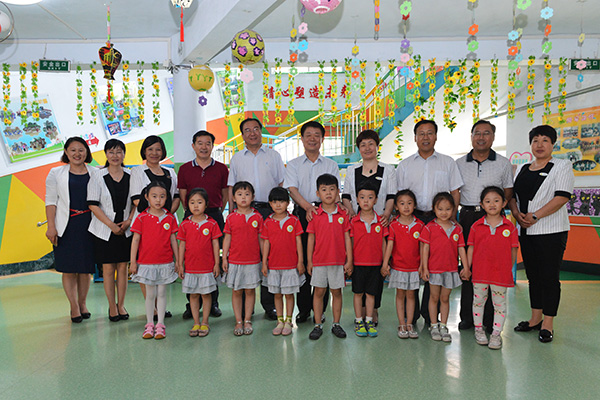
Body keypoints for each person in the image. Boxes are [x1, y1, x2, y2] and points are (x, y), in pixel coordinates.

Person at [509, 125, 574, 343]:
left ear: (553, 144)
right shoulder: (522, 168)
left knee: (549, 277)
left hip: (551, 231)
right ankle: (535, 318)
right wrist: (516, 214)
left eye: (545, 140)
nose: (539, 145)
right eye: (535, 140)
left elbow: (562, 197)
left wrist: (535, 216)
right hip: (526, 230)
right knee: (533, 276)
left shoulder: (561, 166)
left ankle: (548, 323)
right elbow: (512, 196)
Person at [396, 119, 463, 325]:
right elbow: (399, 195)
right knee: (413, 262)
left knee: (434, 266)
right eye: (421, 134)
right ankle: (410, 315)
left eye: (430, 133)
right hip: (413, 218)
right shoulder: (405, 165)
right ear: (415, 138)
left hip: (439, 219)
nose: (425, 137)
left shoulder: (448, 162)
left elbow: (455, 192)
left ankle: (429, 315)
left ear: (436, 136)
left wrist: (452, 217)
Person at [455, 120, 514, 331]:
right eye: (477, 133)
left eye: (486, 133)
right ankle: (468, 317)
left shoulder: (503, 163)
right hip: (467, 216)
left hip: (493, 219)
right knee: (468, 265)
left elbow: (508, 190)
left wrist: (495, 209)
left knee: (492, 266)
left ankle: (489, 320)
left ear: (493, 137)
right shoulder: (459, 163)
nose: (481, 137)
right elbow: (455, 191)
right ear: (471, 137)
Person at [228, 118, 285, 320]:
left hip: (270, 211)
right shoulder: (236, 158)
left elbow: (281, 183)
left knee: (268, 256)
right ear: (242, 135)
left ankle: (269, 306)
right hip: (244, 212)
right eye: (247, 130)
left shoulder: (273, 155)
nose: (252, 133)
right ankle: (246, 308)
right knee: (246, 256)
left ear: (261, 131)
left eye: (255, 129)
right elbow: (231, 186)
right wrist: (232, 210)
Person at [285, 121, 340, 324]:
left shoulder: (331, 165)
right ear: (302, 139)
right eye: (308, 135)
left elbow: (335, 191)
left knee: (323, 261)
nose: (312, 138)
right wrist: (309, 208)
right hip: (303, 214)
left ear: (322, 139)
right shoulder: (293, 164)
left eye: (317, 135)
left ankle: (321, 310)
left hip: (326, 215)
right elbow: (292, 190)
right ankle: (304, 309)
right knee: (303, 260)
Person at [45, 137, 96, 323]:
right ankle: (74, 306)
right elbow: (51, 201)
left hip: (89, 225)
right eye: (73, 150)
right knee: (68, 269)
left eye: (81, 150)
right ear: (66, 152)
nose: (77, 154)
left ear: (86, 152)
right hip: (65, 226)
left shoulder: (95, 172)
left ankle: (83, 304)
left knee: (85, 269)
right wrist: (51, 226)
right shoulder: (55, 173)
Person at [178, 130, 228, 319]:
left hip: (214, 215)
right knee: (192, 256)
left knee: (213, 257)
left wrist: (217, 209)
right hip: (191, 217)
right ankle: (191, 304)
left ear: (212, 146)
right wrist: (191, 211)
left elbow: (225, 193)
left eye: (208, 143)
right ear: (193, 146)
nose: (204, 147)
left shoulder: (222, 168)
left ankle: (213, 302)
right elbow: (183, 194)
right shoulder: (184, 169)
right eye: (200, 143)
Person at [131, 135, 179, 321]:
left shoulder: (170, 172)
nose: (154, 153)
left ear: (163, 151)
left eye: (158, 149)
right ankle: (154, 309)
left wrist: (166, 215)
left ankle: (160, 307)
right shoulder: (137, 171)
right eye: (150, 149)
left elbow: (175, 197)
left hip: (167, 223)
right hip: (147, 223)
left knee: (163, 263)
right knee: (147, 266)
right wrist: (155, 214)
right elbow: (136, 199)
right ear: (144, 151)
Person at [465, 186, 519, 350]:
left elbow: (513, 250)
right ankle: (478, 329)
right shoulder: (476, 226)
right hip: (480, 273)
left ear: (504, 203)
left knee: (499, 304)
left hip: (500, 274)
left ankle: (496, 333)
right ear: (482, 205)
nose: (492, 204)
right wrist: (467, 268)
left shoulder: (510, 227)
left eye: (496, 201)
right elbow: (471, 248)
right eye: (488, 201)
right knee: (478, 302)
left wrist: (507, 268)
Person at [88, 139, 134, 322]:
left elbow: (137, 202)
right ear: (106, 154)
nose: (115, 156)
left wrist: (128, 221)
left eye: (119, 152)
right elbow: (93, 204)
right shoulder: (97, 176)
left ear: (124, 154)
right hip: (104, 230)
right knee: (108, 269)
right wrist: (111, 225)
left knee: (123, 268)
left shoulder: (131, 175)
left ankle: (121, 305)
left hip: (126, 229)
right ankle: (112, 306)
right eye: (111, 152)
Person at [130, 181, 179, 340]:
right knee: (150, 294)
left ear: (167, 198)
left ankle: (161, 324)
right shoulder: (141, 217)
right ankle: (149, 324)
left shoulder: (170, 218)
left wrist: (178, 261)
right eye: (154, 196)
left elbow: (173, 240)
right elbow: (135, 240)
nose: (158, 200)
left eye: (162, 196)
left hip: (165, 262)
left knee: (162, 293)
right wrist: (133, 261)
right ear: (147, 197)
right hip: (146, 263)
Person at [306, 174, 353, 340]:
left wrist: (349, 260)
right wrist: (309, 261)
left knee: (337, 292)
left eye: (332, 189)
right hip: (319, 261)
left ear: (338, 192)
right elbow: (311, 239)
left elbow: (347, 237)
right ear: (317, 193)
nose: (328, 193)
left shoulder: (343, 214)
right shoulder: (314, 214)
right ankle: (318, 324)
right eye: (324, 189)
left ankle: (336, 324)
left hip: (338, 261)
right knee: (319, 292)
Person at [419, 192, 469, 342]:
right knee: (434, 297)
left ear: (453, 209)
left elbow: (461, 249)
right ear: (434, 209)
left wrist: (466, 267)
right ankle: (433, 325)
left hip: (451, 270)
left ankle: (444, 325)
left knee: (445, 298)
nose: (444, 212)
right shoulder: (429, 228)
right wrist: (424, 267)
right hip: (434, 270)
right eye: (440, 209)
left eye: (448, 209)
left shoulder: (457, 229)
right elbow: (425, 249)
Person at [176, 188, 222, 337]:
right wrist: (180, 264)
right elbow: (181, 245)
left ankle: (205, 322)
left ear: (206, 204)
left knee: (206, 294)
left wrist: (216, 264)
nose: (196, 206)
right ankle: (196, 322)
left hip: (207, 267)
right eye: (192, 202)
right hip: (190, 267)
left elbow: (216, 245)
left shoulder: (212, 224)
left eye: (199, 202)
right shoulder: (185, 224)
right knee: (194, 295)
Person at [261, 187, 304, 336]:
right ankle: (280, 321)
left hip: (290, 265)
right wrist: (264, 262)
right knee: (277, 294)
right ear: (270, 204)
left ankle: (288, 321)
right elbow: (266, 243)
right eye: (274, 202)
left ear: (288, 203)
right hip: (273, 265)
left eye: (281, 201)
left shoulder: (294, 221)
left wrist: (300, 261)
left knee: (289, 294)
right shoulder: (267, 222)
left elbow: (299, 242)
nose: (278, 205)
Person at [222, 181, 263, 336]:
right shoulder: (231, 217)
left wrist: (264, 259)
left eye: (247, 194)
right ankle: (238, 321)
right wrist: (224, 258)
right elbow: (227, 238)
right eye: (239, 194)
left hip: (253, 261)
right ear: (233, 198)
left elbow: (261, 239)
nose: (243, 197)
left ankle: (247, 320)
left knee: (250, 291)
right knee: (237, 291)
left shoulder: (257, 217)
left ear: (253, 197)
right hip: (235, 260)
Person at [381, 189, 423, 339]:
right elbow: (390, 245)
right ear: (396, 207)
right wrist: (385, 263)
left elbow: (423, 247)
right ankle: (401, 323)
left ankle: (409, 323)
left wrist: (423, 265)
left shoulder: (420, 225)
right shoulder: (393, 225)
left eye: (409, 203)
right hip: (398, 267)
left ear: (415, 205)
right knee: (400, 295)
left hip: (414, 267)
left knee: (411, 295)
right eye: (402, 203)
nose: (406, 206)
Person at [349, 183, 388, 338]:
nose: (366, 201)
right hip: (358, 264)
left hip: (375, 265)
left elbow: (384, 243)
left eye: (370, 197)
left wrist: (385, 263)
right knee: (358, 293)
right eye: (362, 197)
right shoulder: (353, 221)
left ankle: (369, 321)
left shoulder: (381, 221)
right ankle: (359, 321)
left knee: (371, 294)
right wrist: (349, 262)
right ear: (357, 200)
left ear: (376, 200)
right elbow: (350, 243)